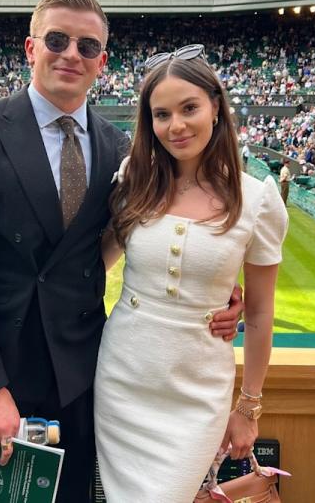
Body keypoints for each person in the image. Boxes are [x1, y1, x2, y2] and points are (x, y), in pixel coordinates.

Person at [0, 0, 242, 503]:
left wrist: (224, 291)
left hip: (84, 377)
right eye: (57, 40)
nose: (71, 53)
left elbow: (162, 230)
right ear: (31, 48)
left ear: (103, 61)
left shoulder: (122, 149)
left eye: (87, 45)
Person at [94, 46, 289, 501]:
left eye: (189, 108)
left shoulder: (257, 199)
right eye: (161, 114)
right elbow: (95, 267)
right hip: (124, 376)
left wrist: (249, 406)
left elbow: (259, 313)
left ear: (216, 107)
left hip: (199, 390)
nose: (176, 125)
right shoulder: (133, 180)